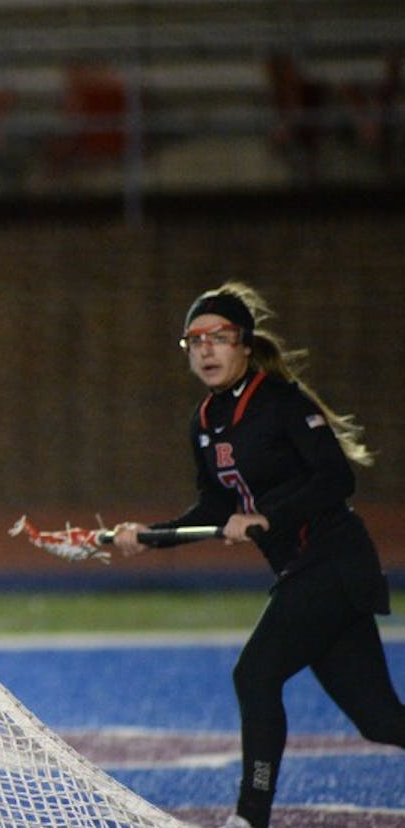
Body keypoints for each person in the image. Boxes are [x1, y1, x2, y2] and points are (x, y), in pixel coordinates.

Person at [109, 281, 405, 828]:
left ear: (244, 344)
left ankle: (250, 817)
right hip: (304, 574)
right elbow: (214, 507)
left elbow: (336, 478)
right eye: (195, 341)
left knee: (255, 675)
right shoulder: (204, 422)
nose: (206, 349)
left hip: (335, 565)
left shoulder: (280, 401)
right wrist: (146, 536)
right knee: (381, 721)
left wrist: (270, 516)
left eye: (218, 337)